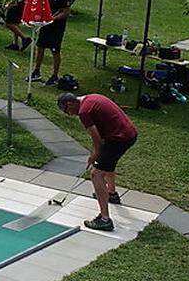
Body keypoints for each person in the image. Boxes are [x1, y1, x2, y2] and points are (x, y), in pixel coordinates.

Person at [56, 92, 137, 232]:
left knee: (96, 174)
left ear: (69, 104)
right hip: (128, 133)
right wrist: (98, 155)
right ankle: (111, 193)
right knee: (107, 163)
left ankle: (104, 219)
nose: (70, 114)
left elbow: (97, 140)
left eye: (67, 111)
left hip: (119, 138)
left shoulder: (84, 112)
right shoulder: (91, 97)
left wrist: (94, 156)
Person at [29, 0, 71, 85]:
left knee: (55, 50)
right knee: (40, 47)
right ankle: (36, 71)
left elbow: (66, 11)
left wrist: (54, 18)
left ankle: (55, 75)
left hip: (57, 27)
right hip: (45, 25)